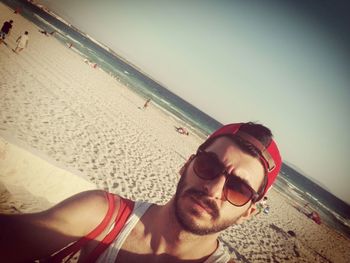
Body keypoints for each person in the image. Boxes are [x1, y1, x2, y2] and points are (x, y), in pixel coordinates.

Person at [0, 122, 282, 262]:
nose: (213, 189)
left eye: (238, 188)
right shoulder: (104, 216)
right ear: (187, 165)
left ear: (249, 212)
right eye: (209, 165)